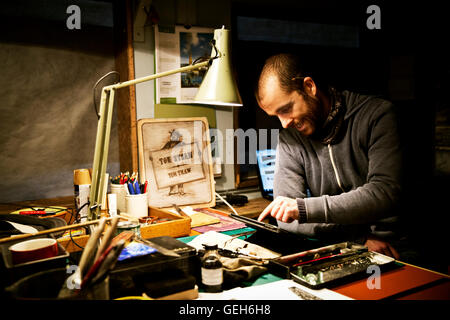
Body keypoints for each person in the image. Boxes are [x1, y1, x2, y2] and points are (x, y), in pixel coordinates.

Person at [256, 53, 405, 259]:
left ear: (309, 87)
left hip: (397, 248)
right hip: (344, 247)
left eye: (286, 109)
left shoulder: (377, 116)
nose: (284, 123)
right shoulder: (290, 140)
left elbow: (385, 193)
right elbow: (285, 220)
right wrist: (358, 240)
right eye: (276, 116)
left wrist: (303, 209)